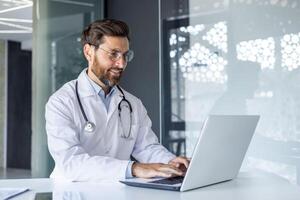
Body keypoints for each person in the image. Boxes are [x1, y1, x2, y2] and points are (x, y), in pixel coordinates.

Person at [45, 19, 190, 181]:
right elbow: (71, 162)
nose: (121, 64)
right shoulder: (61, 102)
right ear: (89, 52)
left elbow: (146, 147)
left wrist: (171, 163)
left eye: (125, 55)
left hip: (117, 191)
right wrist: (133, 168)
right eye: (113, 54)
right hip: (73, 192)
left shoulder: (133, 104)